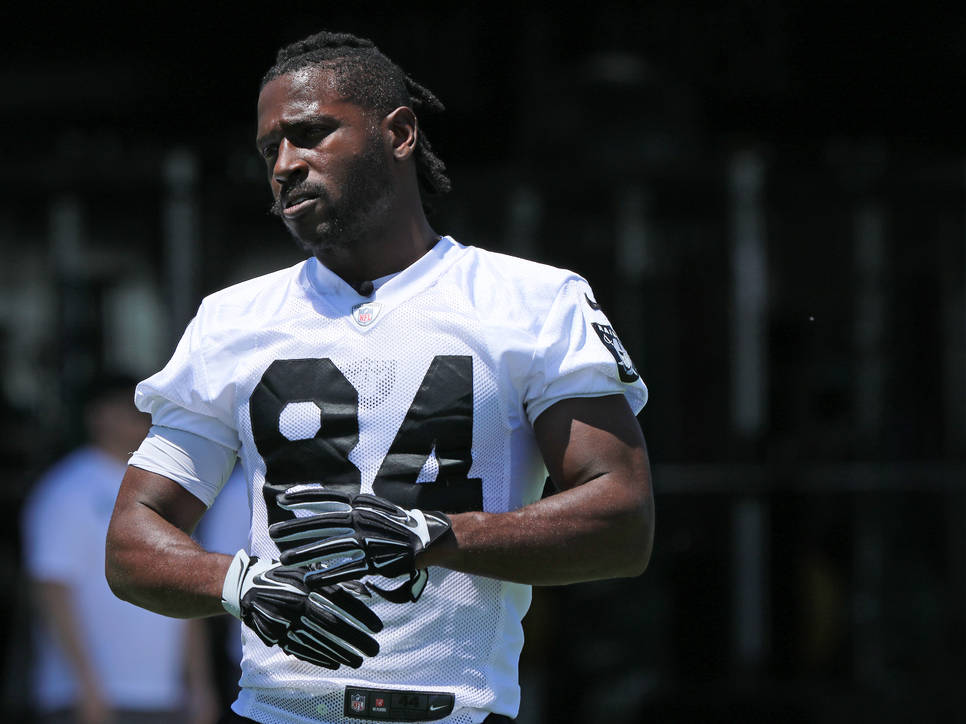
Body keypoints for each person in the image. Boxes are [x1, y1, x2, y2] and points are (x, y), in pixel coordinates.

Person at [105, 31, 654, 724]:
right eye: (269, 147)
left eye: (310, 134)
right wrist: (238, 582)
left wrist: (435, 534)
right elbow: (131, 537)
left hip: (453, 709)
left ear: (397, 133)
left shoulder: (533, 300)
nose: (284, 164)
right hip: (277, 712)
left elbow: (623, 519)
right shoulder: (232, 320)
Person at [22, 375, 219, 724]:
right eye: (132, 409)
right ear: (98, 416)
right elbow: (52, 590)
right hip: (90, 700)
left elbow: (188, 586)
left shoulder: (169, 490)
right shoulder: (67, 489)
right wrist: (86, 686)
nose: (143, 418)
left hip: (164, 698)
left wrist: (199, 683)